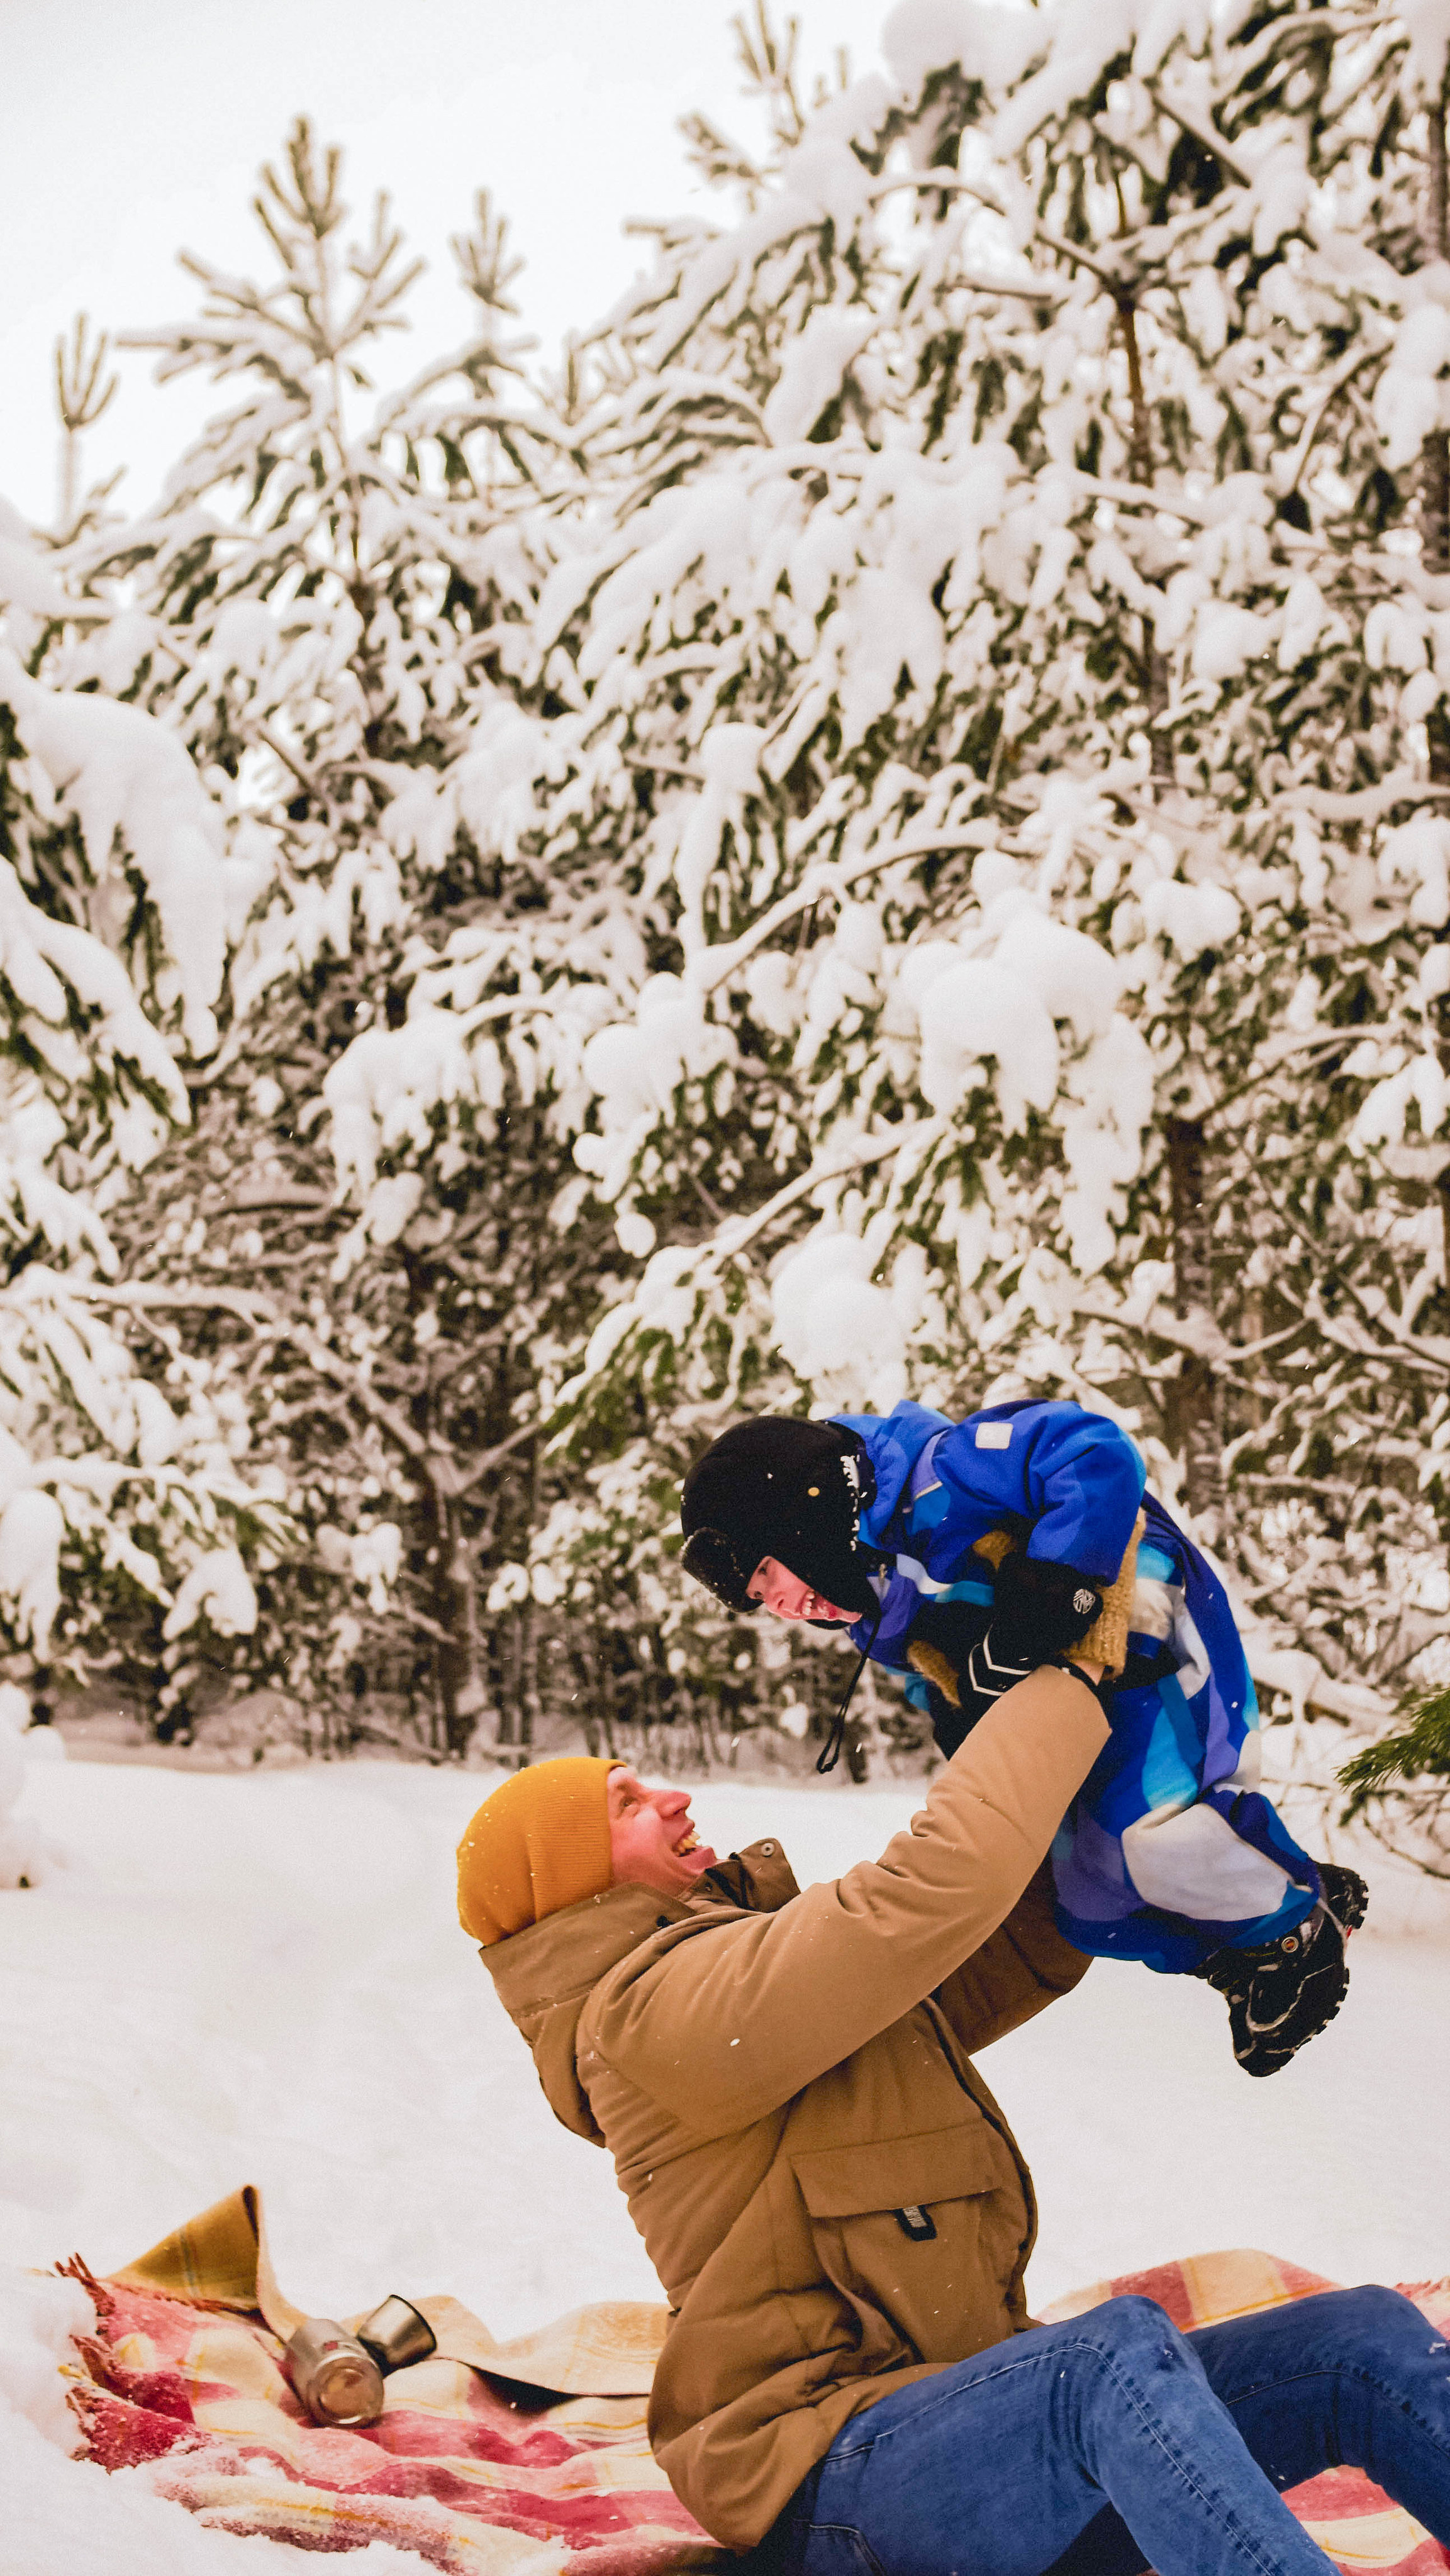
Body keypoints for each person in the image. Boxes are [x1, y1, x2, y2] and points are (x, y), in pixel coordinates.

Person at [457, 1735, 1450, 2576]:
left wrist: (1187, 1870)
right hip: (823, 2480)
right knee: (1104, 2361)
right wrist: (1060, 1669)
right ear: (573, 1883)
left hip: (969, 2443)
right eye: (627, 1802)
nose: (671, 1794)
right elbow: (923, 1896)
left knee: (1358, 2343)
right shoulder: (650, 2019)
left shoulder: (753, 1986)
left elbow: (998, 1942)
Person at [678, 1399, 1366, 2078]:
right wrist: (964, 1714)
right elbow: (927, 1670)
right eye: (761, 1601)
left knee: (1141, 1837)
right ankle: (1241, 1940)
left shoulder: (940, 1471)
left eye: (768, 1573)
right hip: (1069, 1687)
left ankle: (1292, 1926)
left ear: (800, 1512)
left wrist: (1060, 1574)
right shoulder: (871, 1601)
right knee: (1084, 1901)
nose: (782, 1604)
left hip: (1140, 1621)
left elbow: (1090, 1448)